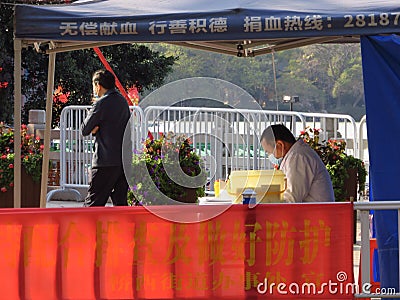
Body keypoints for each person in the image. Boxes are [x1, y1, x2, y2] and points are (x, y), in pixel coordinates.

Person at [81, 69, 131, 206]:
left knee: (92, 204)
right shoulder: (123, 102)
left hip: (104, 161)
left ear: (98, 85)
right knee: (121, 204)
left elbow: (84, 129)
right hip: (123, 162)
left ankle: (85, 228)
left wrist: (95, 128)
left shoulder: (101, 103)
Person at [260, 124, 334, 203]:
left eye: (269, 152)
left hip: (316, 213)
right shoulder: (294, 156)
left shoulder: (299, 157)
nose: (270, 156)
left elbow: (291, 198)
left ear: (280, 145)